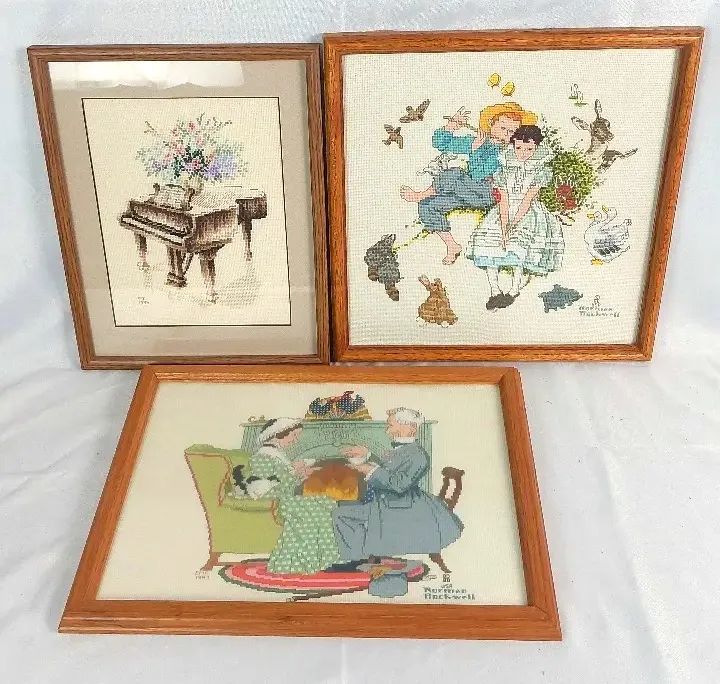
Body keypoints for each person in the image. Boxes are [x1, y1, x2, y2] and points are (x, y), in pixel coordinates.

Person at [399, 102, 536, 265]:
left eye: (512, 131)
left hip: (486, 193)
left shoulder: (507, 153)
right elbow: (441, 144)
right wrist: (451, 127)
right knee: (427, 205)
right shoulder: (478, 140)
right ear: (491, 124)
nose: (506, 133)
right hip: (465, 190)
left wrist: (475, 149)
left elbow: (479, 174)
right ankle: (452, 246)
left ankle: (420, 194)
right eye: (503, 127)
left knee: (454, 173)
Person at [331, 408, 463, 566]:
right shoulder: (401, 450)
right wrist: (367, 455)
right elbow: (389, 468)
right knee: (343, 506)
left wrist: (369, 470)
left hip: (400, 508)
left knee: (340, 515)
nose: (387, 430)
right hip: (386, 502)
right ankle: (359, 557)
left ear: (410, 427)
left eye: (391, 425)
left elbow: (399, 485)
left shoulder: (418, 455)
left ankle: (358, 560)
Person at [467, 124, 565, 311]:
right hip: (504, 210)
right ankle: (495, 290)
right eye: (519, 147)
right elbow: (503, 199)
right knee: (490, 243)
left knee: (517, 247)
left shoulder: (540, 170)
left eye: (529, 149)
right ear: (513, 145)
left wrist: (512, 227)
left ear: (537, 148)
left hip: (527, 212)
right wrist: (504, 227)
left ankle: (513, 290)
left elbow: (528, 199)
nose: (523, 153)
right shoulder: (504, 168)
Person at [249, 418, 341, 574]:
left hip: (288, 493)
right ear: (280, 434)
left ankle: (325, 560)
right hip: (278, 497)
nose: (295, 440)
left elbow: (286, 480)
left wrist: (300, 473)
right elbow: (268, 485)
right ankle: (298, 563)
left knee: (327, 502)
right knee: (316, 509)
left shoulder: (277, 454)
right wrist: (297, 474)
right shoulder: (263, 456)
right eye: (294, 435)